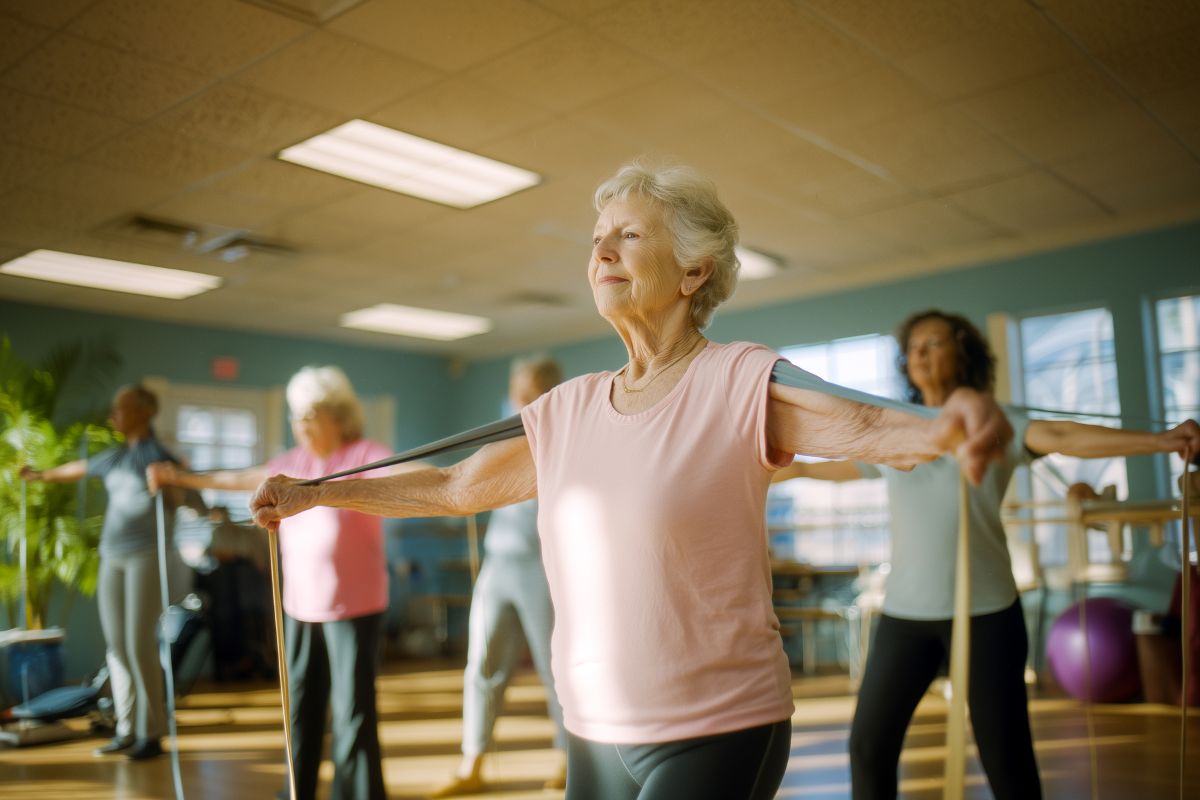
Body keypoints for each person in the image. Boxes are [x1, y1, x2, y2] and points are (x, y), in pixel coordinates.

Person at [250, 162, 1014, 800]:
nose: (602, 250)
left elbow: (872, 427)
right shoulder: (568, 409)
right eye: (596, 240)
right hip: (593, 728)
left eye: (629, 234)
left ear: (694, 270)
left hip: (719, 722)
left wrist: (955, 422)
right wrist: (317, 494)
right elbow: (453, 488)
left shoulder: (737, 379)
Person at [772, 309, 1200, 800]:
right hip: (905, 615)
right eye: (914, 347)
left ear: (963, 352)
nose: (921, 355)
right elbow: (815, 469)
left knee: (1007, 760)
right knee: (868, 747)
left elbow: (1062, 437)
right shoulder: (893, 432)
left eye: (934, 343)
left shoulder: (998, 423)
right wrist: (769, 467)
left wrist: (1161, 440)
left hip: (986, 612)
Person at [148, 366, 394, 800]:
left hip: (355, 605)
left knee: (353, 711)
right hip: (301, 604)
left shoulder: (366, 454)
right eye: (297, 415)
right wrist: (179, 477)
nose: (302, 423)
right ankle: (297, 793)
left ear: (339, 415)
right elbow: (237, 478)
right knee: (301, 707)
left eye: (312, 413)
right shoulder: (291, 464)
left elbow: (405, 480)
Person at [21, 384, 189, 761]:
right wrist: (39, 476)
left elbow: (185, 499)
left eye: (121, 408)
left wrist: (174, 481)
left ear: (144, 413)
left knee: (138, 645)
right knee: (116, 648)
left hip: (145, 556)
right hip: (112, 557)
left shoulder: (160, 456)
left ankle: (152, 732)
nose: (113, 414)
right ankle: (127, 729)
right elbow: (76, 469)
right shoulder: (114, 458)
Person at [431, 354, 569, 797]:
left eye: (528, 391)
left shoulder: (562, 431)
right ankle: (473, 760)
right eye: (516, 390)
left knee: (557, 669)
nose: (519, 399)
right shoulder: (505, 430)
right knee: (483, 666)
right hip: (497, 564)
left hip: (544, 568)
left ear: (547, 390)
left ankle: (569, 756)